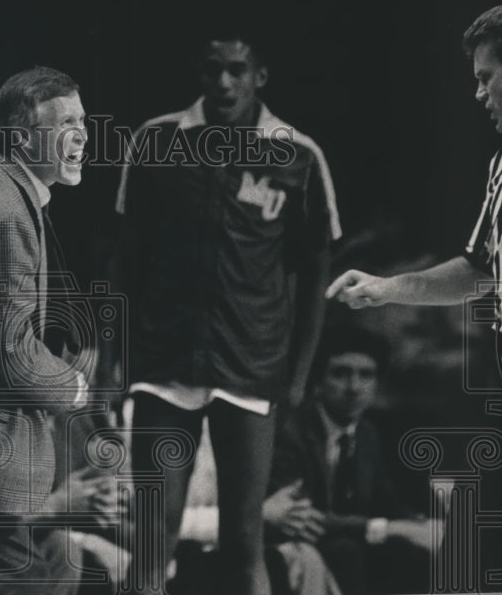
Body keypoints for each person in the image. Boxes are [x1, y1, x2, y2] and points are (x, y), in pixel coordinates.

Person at [327, 0, 502, 582]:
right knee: (468, 558)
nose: (478, 95)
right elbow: (478, 271)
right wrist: (386, 288)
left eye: (485, 78)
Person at [115, 32, 342, 594]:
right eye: (212, 69)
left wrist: (298, 376)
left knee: (245, 540)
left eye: (236, 70)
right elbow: (123, 259)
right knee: (152, 537)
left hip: (251, 366)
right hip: (164, 364)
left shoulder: (299, 155)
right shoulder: (156, 141)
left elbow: (315, 277)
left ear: (259, 76)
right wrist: (115, 360)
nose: (223, 82)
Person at [0, 66, 92, 594]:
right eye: (66, 123)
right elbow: (14, 354)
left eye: (84, 122)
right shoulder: (7, 209)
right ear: (21, 137)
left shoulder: (8, 194)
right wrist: (75, 386)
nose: (83, 136)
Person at [268, 327, 440, 595]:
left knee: (417, 551)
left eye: (366, 375)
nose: (354, 387)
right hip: (289, 544)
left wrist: (419, 524)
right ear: (317, 383)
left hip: (343, 540)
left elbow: (385, 499)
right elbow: (304, 518)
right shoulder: (292, 431)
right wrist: (391, 528)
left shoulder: (366, 432)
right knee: (347, 553)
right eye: (340, 373)